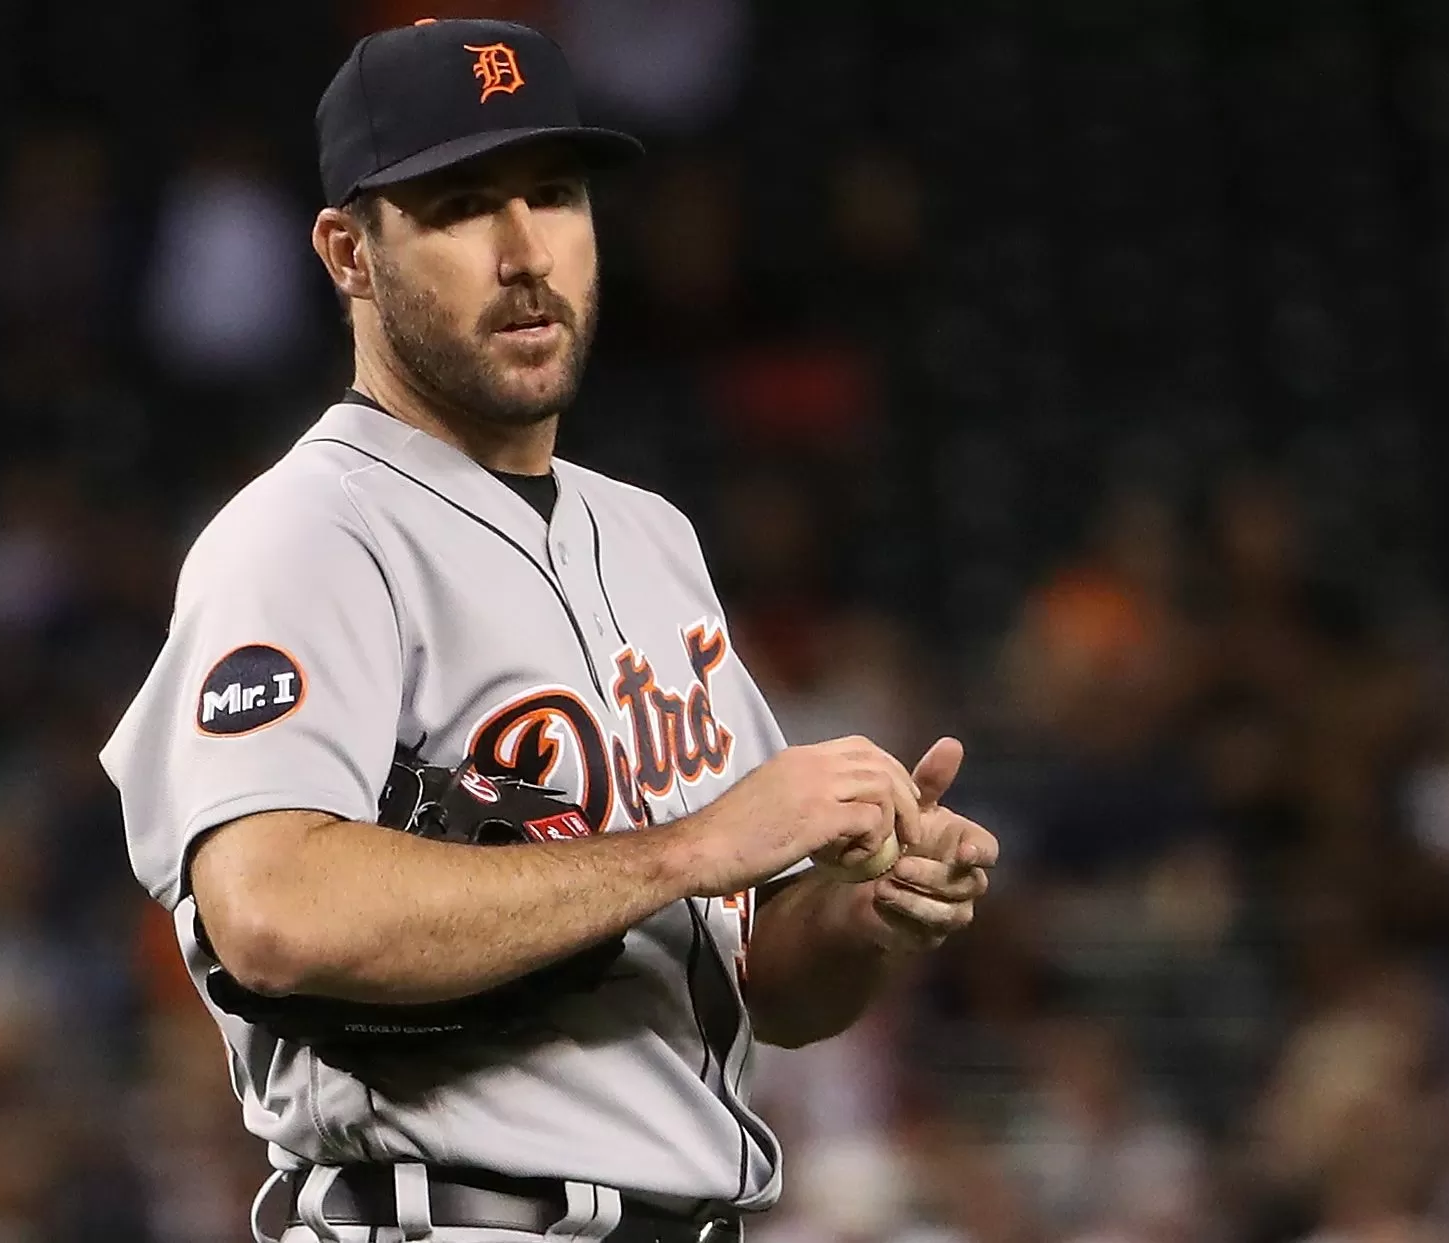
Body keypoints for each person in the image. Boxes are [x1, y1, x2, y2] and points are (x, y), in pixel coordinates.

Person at [99, 19, 998, 1243]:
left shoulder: (650, 537)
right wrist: (691, 847)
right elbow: (270, 911)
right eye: (463, 206)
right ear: (350, 252)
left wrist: (866, 910)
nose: (526, 253)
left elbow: (759, 985)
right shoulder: (307, 532)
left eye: (556, 196)